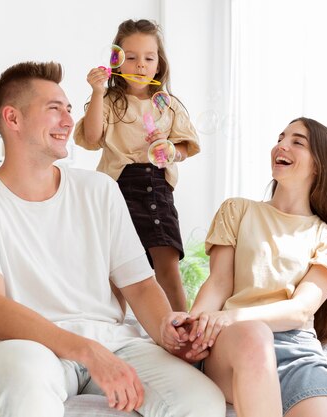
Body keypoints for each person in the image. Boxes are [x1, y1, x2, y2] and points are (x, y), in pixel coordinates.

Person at [0, 61, 225, 417]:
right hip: (24, 344)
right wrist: (87, 351)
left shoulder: (100, 189)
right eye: (54, 109)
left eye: (69, 109)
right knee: (27, 393)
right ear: (13, 119)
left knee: (202, 401)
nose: (67, 120)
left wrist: (166, 333)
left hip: (113, 341)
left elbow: (139, 285)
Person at [184, 118, 327, 417]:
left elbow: (300, 310)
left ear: (319, 165)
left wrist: (227, 317)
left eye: (297, 141)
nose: (281, 145)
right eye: (281, 137)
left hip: (297, 351)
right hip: (237, 340)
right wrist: (195, 328)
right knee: (255, 335)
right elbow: (218, 283)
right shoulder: (239, 211)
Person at [74, 19, 199, 312]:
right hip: (116, 188)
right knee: (115, 270)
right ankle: (112, 330)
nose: (140, 65)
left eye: (148, 58)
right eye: (130, 57)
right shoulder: (108, 100)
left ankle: (183, 328)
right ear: (117, 63)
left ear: (158, 65)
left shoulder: (168, 105)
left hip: (157, 188)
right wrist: (96, 92)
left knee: (166, 265)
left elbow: (186, 147)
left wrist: (169, 150)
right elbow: (91, 138)